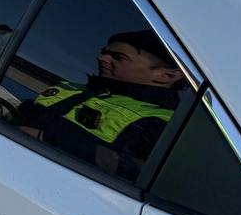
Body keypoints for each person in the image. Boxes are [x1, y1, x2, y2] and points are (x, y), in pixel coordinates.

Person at [14, 30, 184, 180]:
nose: (101, 58)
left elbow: (137, 172)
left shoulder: (168, 126)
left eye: (118, 58)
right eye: (104, 52)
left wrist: (48, 140)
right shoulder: (70, 88)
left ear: (167, 76)